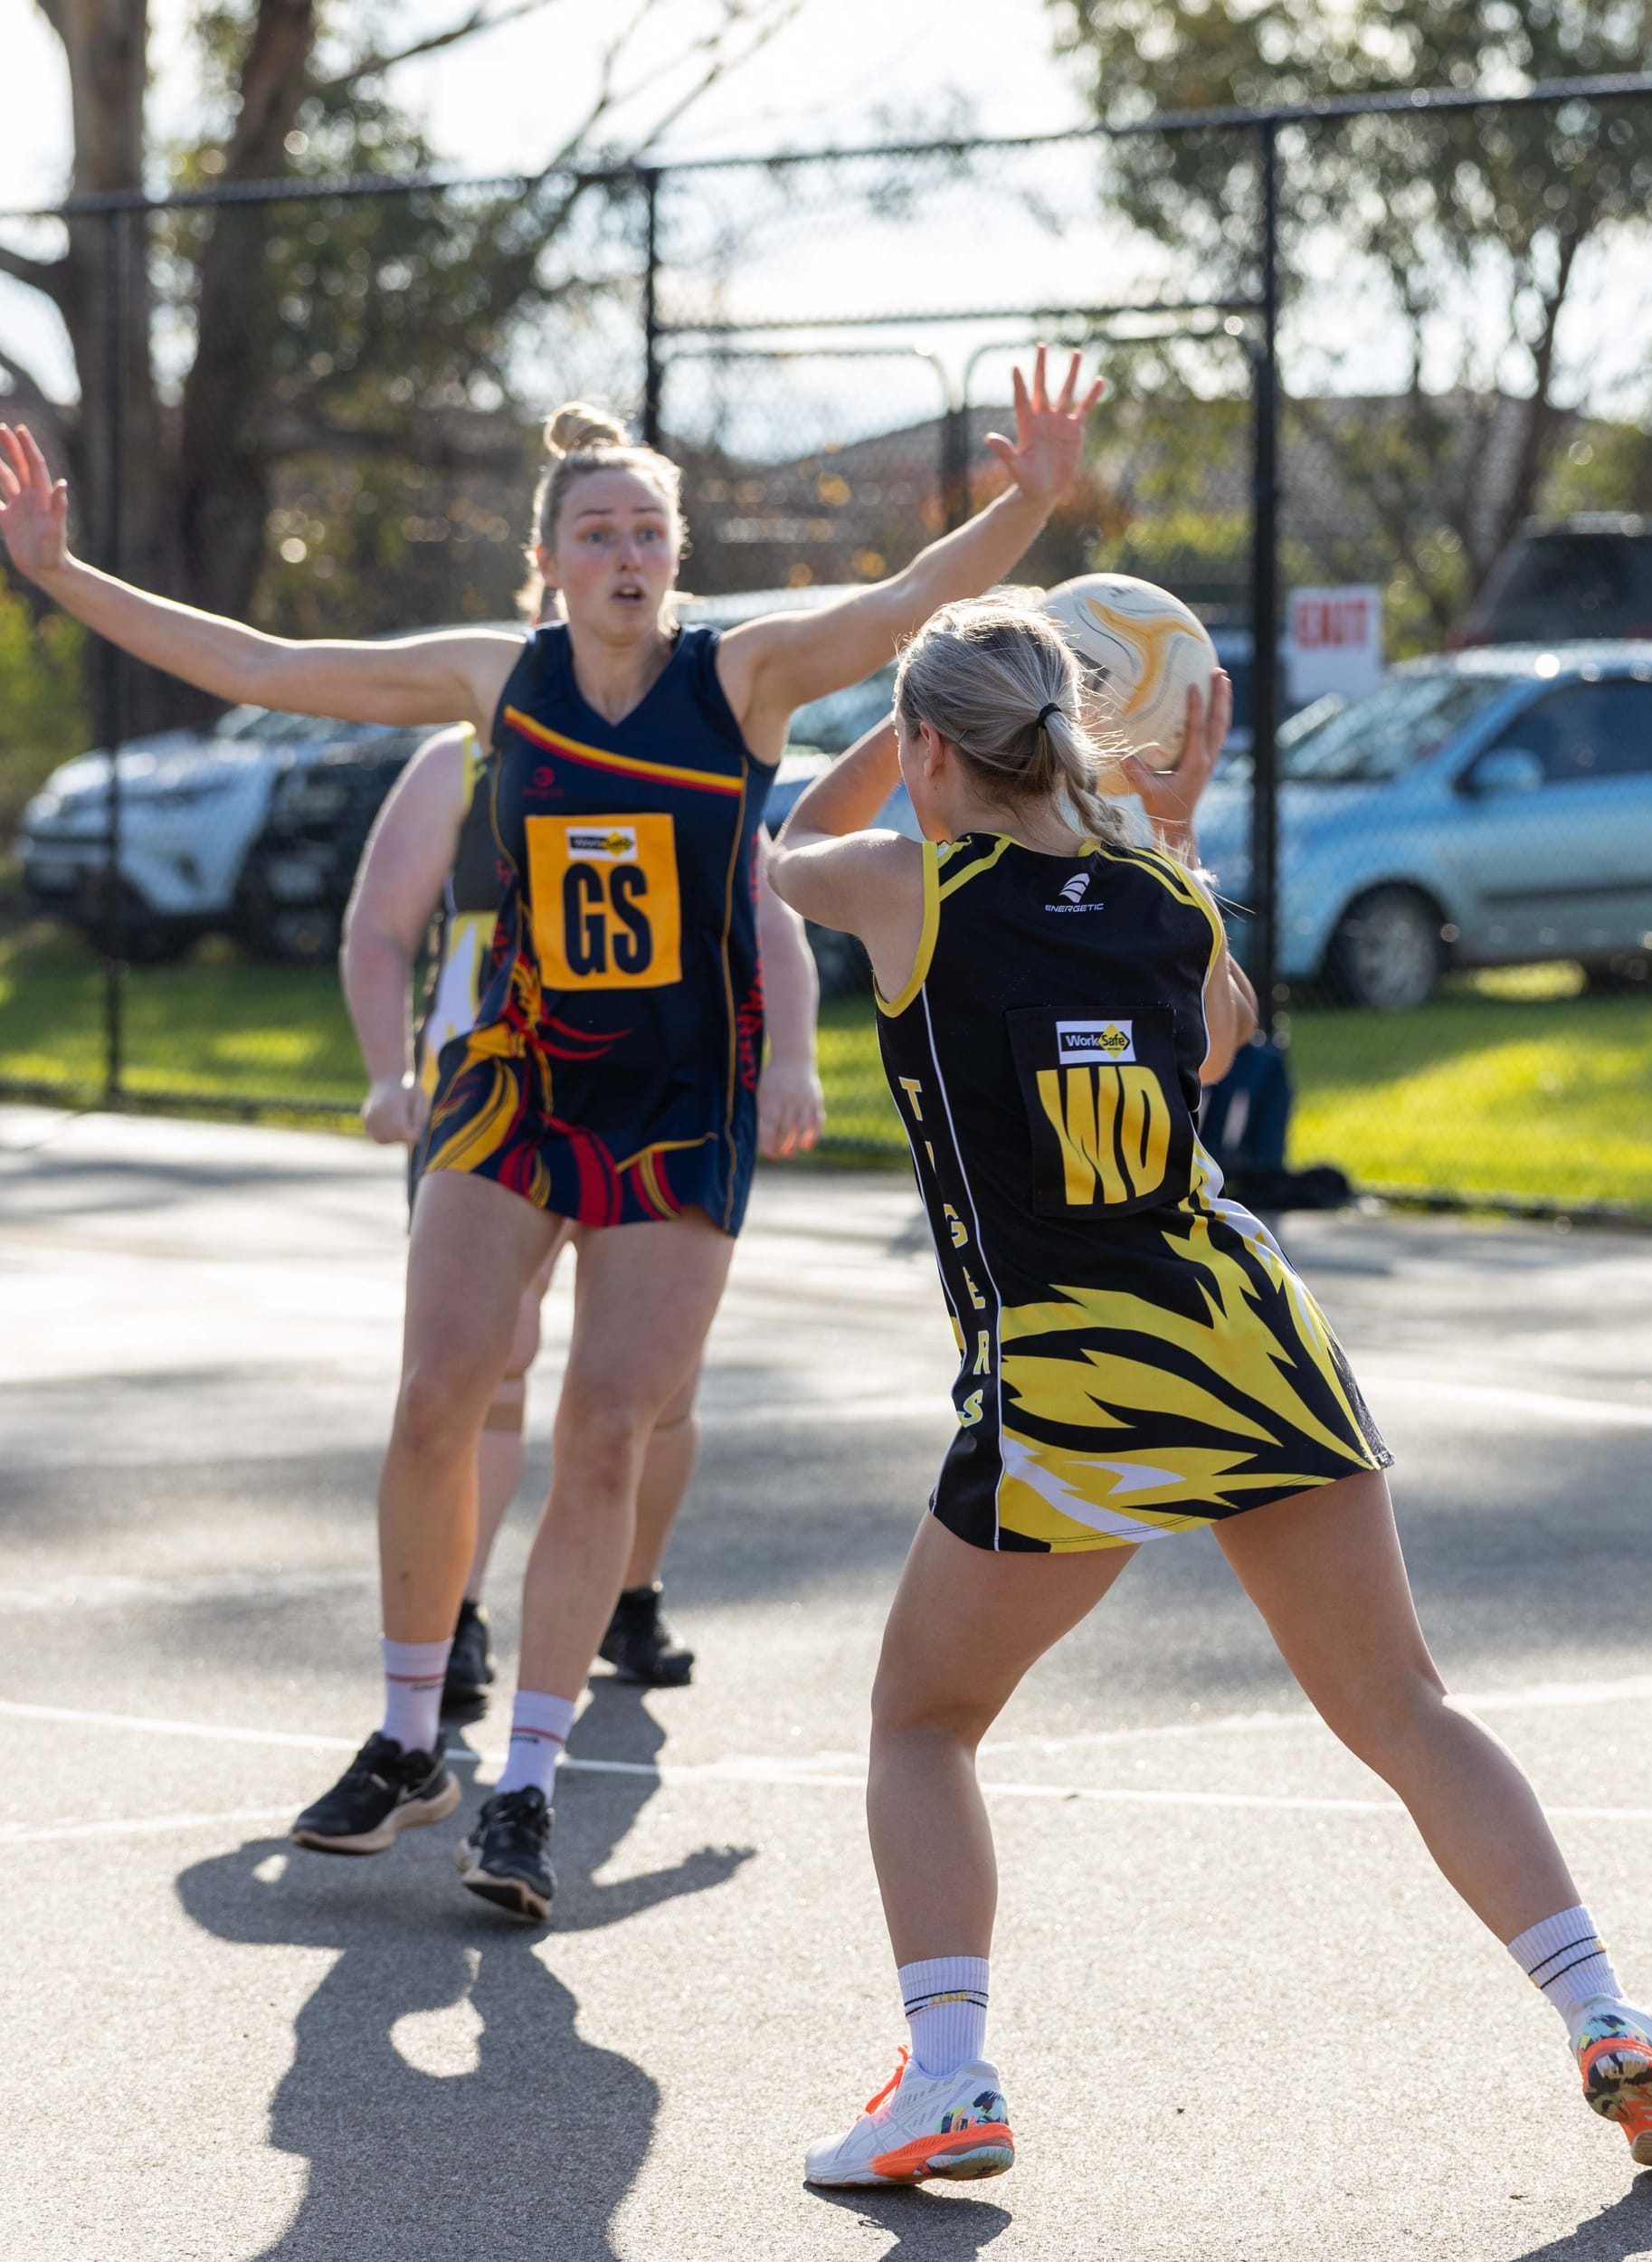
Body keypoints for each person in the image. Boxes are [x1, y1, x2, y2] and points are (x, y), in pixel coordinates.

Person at [0, 348, 1102, 1921]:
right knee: (439, 1390)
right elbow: (264, 660)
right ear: (551, 558)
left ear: (676, 556)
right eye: (597, 531)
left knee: (604, 1434)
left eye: (648, 530)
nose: (626, 553)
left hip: (678, 1099)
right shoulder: (492, 680)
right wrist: (60, 574)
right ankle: (407, 1740)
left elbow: (908, 599)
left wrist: (1028, 502)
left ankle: (525, 1781)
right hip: (518, 1077)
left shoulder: (741, 680)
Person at [766, 596, 1652, 2186]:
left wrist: (903, 725)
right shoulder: (1163, 890)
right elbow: (1219, 1045)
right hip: (1248, 1331)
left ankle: (947, 2080)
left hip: (1078, 1374)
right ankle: (1611, 2017)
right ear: (1065, 736)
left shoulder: (909, 886)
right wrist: (1161, 821)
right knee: (1405, 1707)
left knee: (922, 1721)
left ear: (933, 747)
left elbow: (785, 846)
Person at [340, 717, 825, 1701]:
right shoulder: (466, 757)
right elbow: (378, 927)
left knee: (654, 1388)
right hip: (496, 1104)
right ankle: (455, 1615)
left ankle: (626, 1597)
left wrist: (794, 1058)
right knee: (485, 1366)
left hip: (660, 1107)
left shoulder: (688, 736)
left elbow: (772, 917)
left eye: (643, 543)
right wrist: (387, 1071)